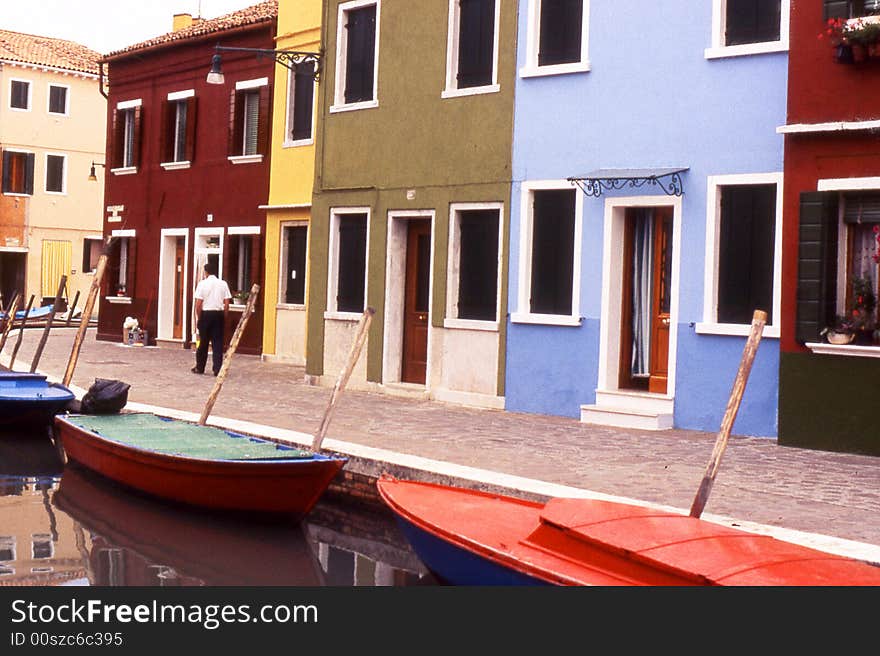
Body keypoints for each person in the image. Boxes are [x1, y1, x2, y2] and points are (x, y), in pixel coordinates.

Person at [191, 261, 232, 376]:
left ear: (206, 272)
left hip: (206, 314)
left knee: (203, 342)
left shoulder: (202, 284)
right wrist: (224, 316)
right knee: (217, 343)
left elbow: (199, 303)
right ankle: (217, 368)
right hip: (218, 314)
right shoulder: (223, 284)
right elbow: (227, 303)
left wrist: (199, 317)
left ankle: (200, 367)